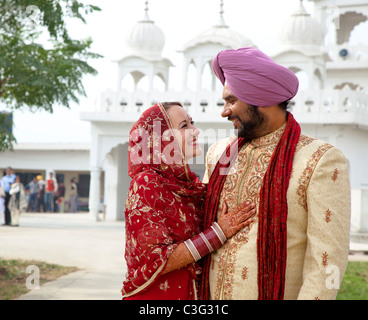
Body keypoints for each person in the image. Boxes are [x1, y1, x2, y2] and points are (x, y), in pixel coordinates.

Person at [199, 47, 351, 300]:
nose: (224, 112)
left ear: (261, 97)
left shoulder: (319, 159)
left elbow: (327, 261)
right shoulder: (219, 153)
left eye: (231, 100)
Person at [122, 102, 256, 300]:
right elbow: (157, 260)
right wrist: (219, 232)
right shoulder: (146, 184)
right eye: (184, 126)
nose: (196, 131)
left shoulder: (188, 185)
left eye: (192, 123)